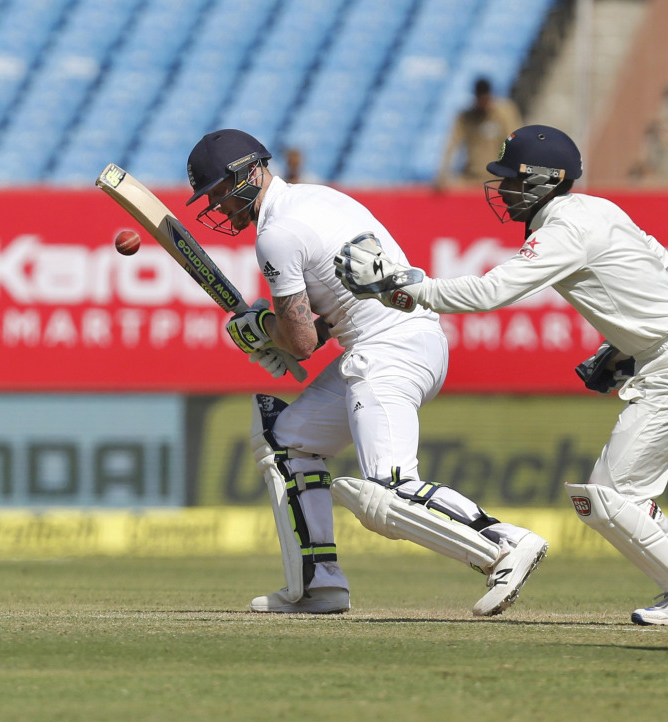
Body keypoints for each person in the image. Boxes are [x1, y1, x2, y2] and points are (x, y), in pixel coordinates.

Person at [334, 125, 668, 626]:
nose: (502, 190)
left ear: (545, 180)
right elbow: (662, 262)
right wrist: (623, 346)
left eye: (511, 180)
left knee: (608, 493)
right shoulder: (596, 210)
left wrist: (403, 287)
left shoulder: (564, 227)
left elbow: (490, 292)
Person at [185, 128, 548, 616]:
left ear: (249, 174)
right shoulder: (319, 198)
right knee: (285, 441)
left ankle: (505, 543)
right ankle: (317, 585)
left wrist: (258, 329)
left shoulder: (276, 235)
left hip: (388, 351)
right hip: (406, 341)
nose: (218, 206)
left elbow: (300, 343)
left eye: (219, 192)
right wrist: (272, 331)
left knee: (387, 490)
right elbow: (324, 321)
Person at [434, 77, 521, 190]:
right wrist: (443, 172)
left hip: (496, 178)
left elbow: (516, 141)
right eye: (480, 99)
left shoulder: (504, 113)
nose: (483, 103)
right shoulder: (466, 117)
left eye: (485, 99)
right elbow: (452, 144)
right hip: (471, 177)